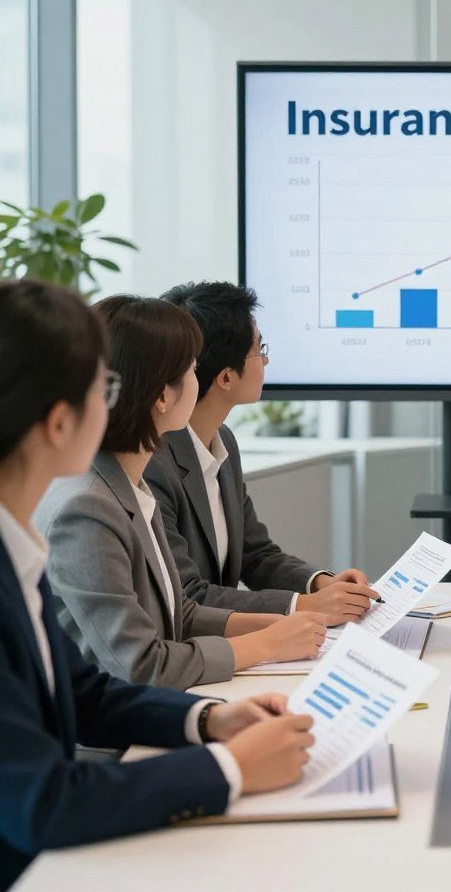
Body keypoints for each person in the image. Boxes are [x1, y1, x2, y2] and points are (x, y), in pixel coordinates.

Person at [0, 279, 316, 890]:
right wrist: (229, 769)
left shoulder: (19, 546)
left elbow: (86, 691)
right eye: (104, 387)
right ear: (61, 422)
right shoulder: (72, 511)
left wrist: (207, 723)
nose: (113, 401)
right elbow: (45, 801)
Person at [36, 295, 329, 689]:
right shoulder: (87, 508)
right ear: (161, 396)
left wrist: (284, 624)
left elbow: (180, 614)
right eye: (192, 369)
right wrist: (265, 644)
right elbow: (142, 666)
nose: (199, 378)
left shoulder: (127, 481)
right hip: (117, 742)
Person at [145, 282, 377, 626]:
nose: (266, 359)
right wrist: (304, 607)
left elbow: (256, 555)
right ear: (226, 377)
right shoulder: (152, 464)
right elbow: (188, 595)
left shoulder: (222, 441)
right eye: (259, 349)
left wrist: (322, 584)